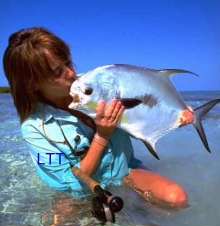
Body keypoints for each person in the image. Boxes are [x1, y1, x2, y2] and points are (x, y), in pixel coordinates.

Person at [3, 27, 194, 211]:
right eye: (57, 73)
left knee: (176, 198)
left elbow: (141, 113)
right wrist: (102, 136)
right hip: (75, 193)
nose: (71, 74)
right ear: (33, 84)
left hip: (124, 171)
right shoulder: (34, 129)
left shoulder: (97, 85)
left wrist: (173, 117)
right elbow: (68, 182)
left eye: (68, 62)